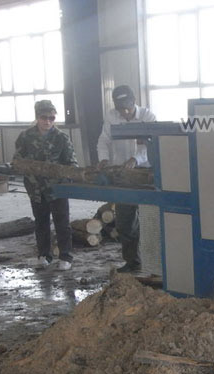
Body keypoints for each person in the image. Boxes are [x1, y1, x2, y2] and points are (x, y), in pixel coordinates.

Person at [96, 85, 156, 273]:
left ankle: (156, 265)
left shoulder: (148, 116)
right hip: (122, 175)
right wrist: (103, 159)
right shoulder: (111, 116)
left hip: (145, 174)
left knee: (151, 220)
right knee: (125, 221)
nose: (125, 112)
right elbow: (104, 140)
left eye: (128, 108)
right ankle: (133, 262)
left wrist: (135, 159)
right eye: (121, 109)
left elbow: (152, 146)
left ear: (134, 101)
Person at [14, 100, 77, 271]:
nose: (48, 121)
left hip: (57, 188)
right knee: (41, 222)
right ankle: (44, 255)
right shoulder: (25, 137)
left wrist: (69, 179)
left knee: (62, 223)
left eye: (51, 118)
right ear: (37, 117)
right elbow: (18, 160)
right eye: (44, 117)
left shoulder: (62, 138)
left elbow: (71, 162)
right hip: (35, 188)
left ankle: (65, 256)